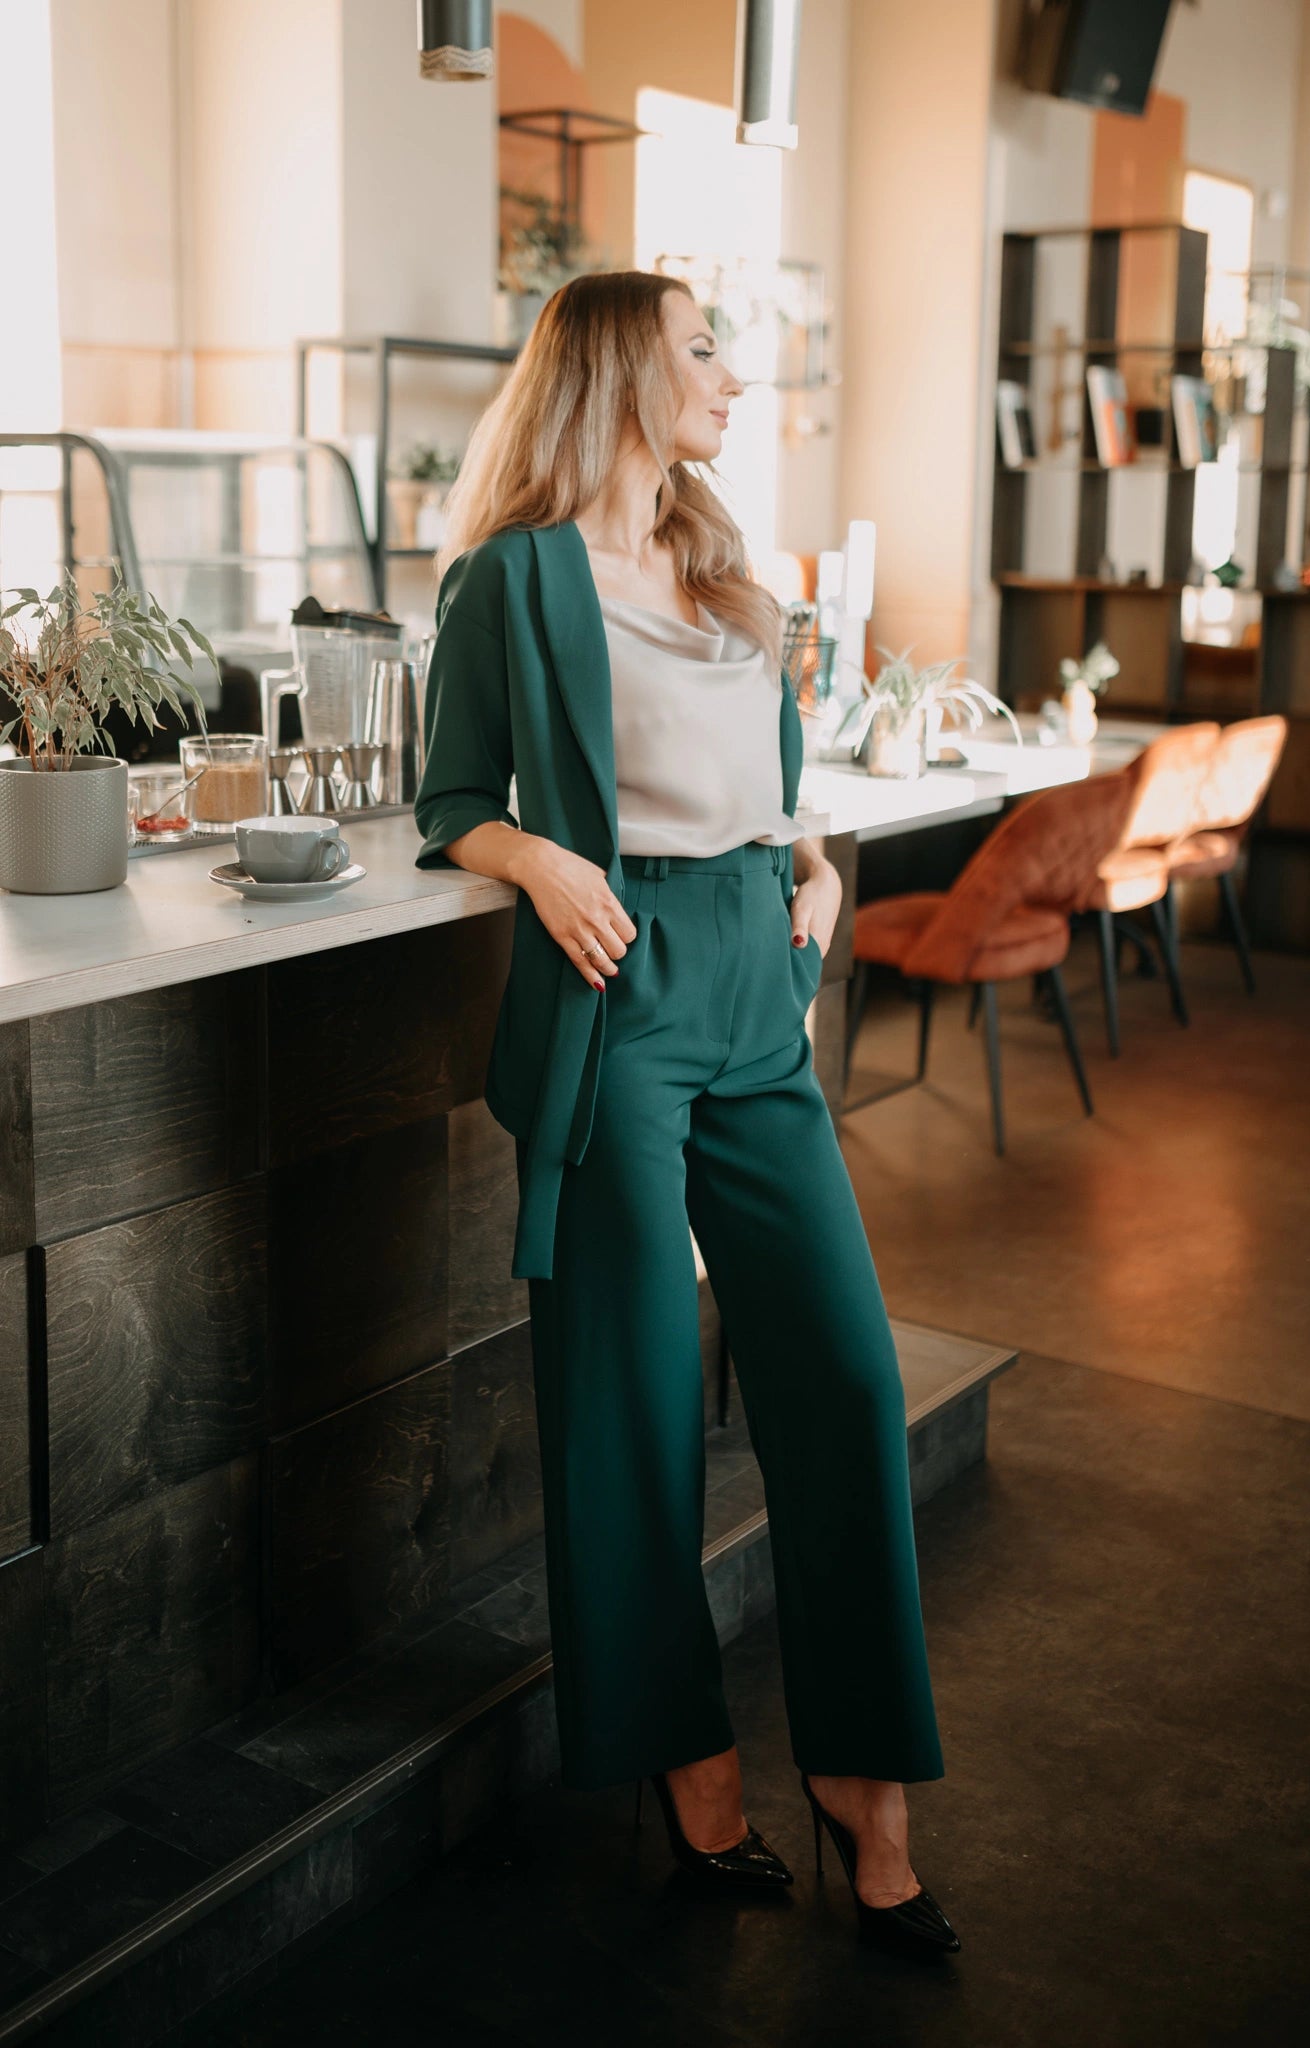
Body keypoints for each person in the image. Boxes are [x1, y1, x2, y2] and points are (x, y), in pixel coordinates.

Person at [413, 271, 958, 1961]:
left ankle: (866, 1775)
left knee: (848, 1376)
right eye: (702, 348)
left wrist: (810, 861)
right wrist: (536, 852)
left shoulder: (738, 570)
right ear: (613, 375)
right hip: (616, 999)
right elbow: (449, 801)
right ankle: (692, 1761)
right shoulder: (512, 580)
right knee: (632, 1400)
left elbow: (773, 779)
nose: (734, 373)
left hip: (757, 988)